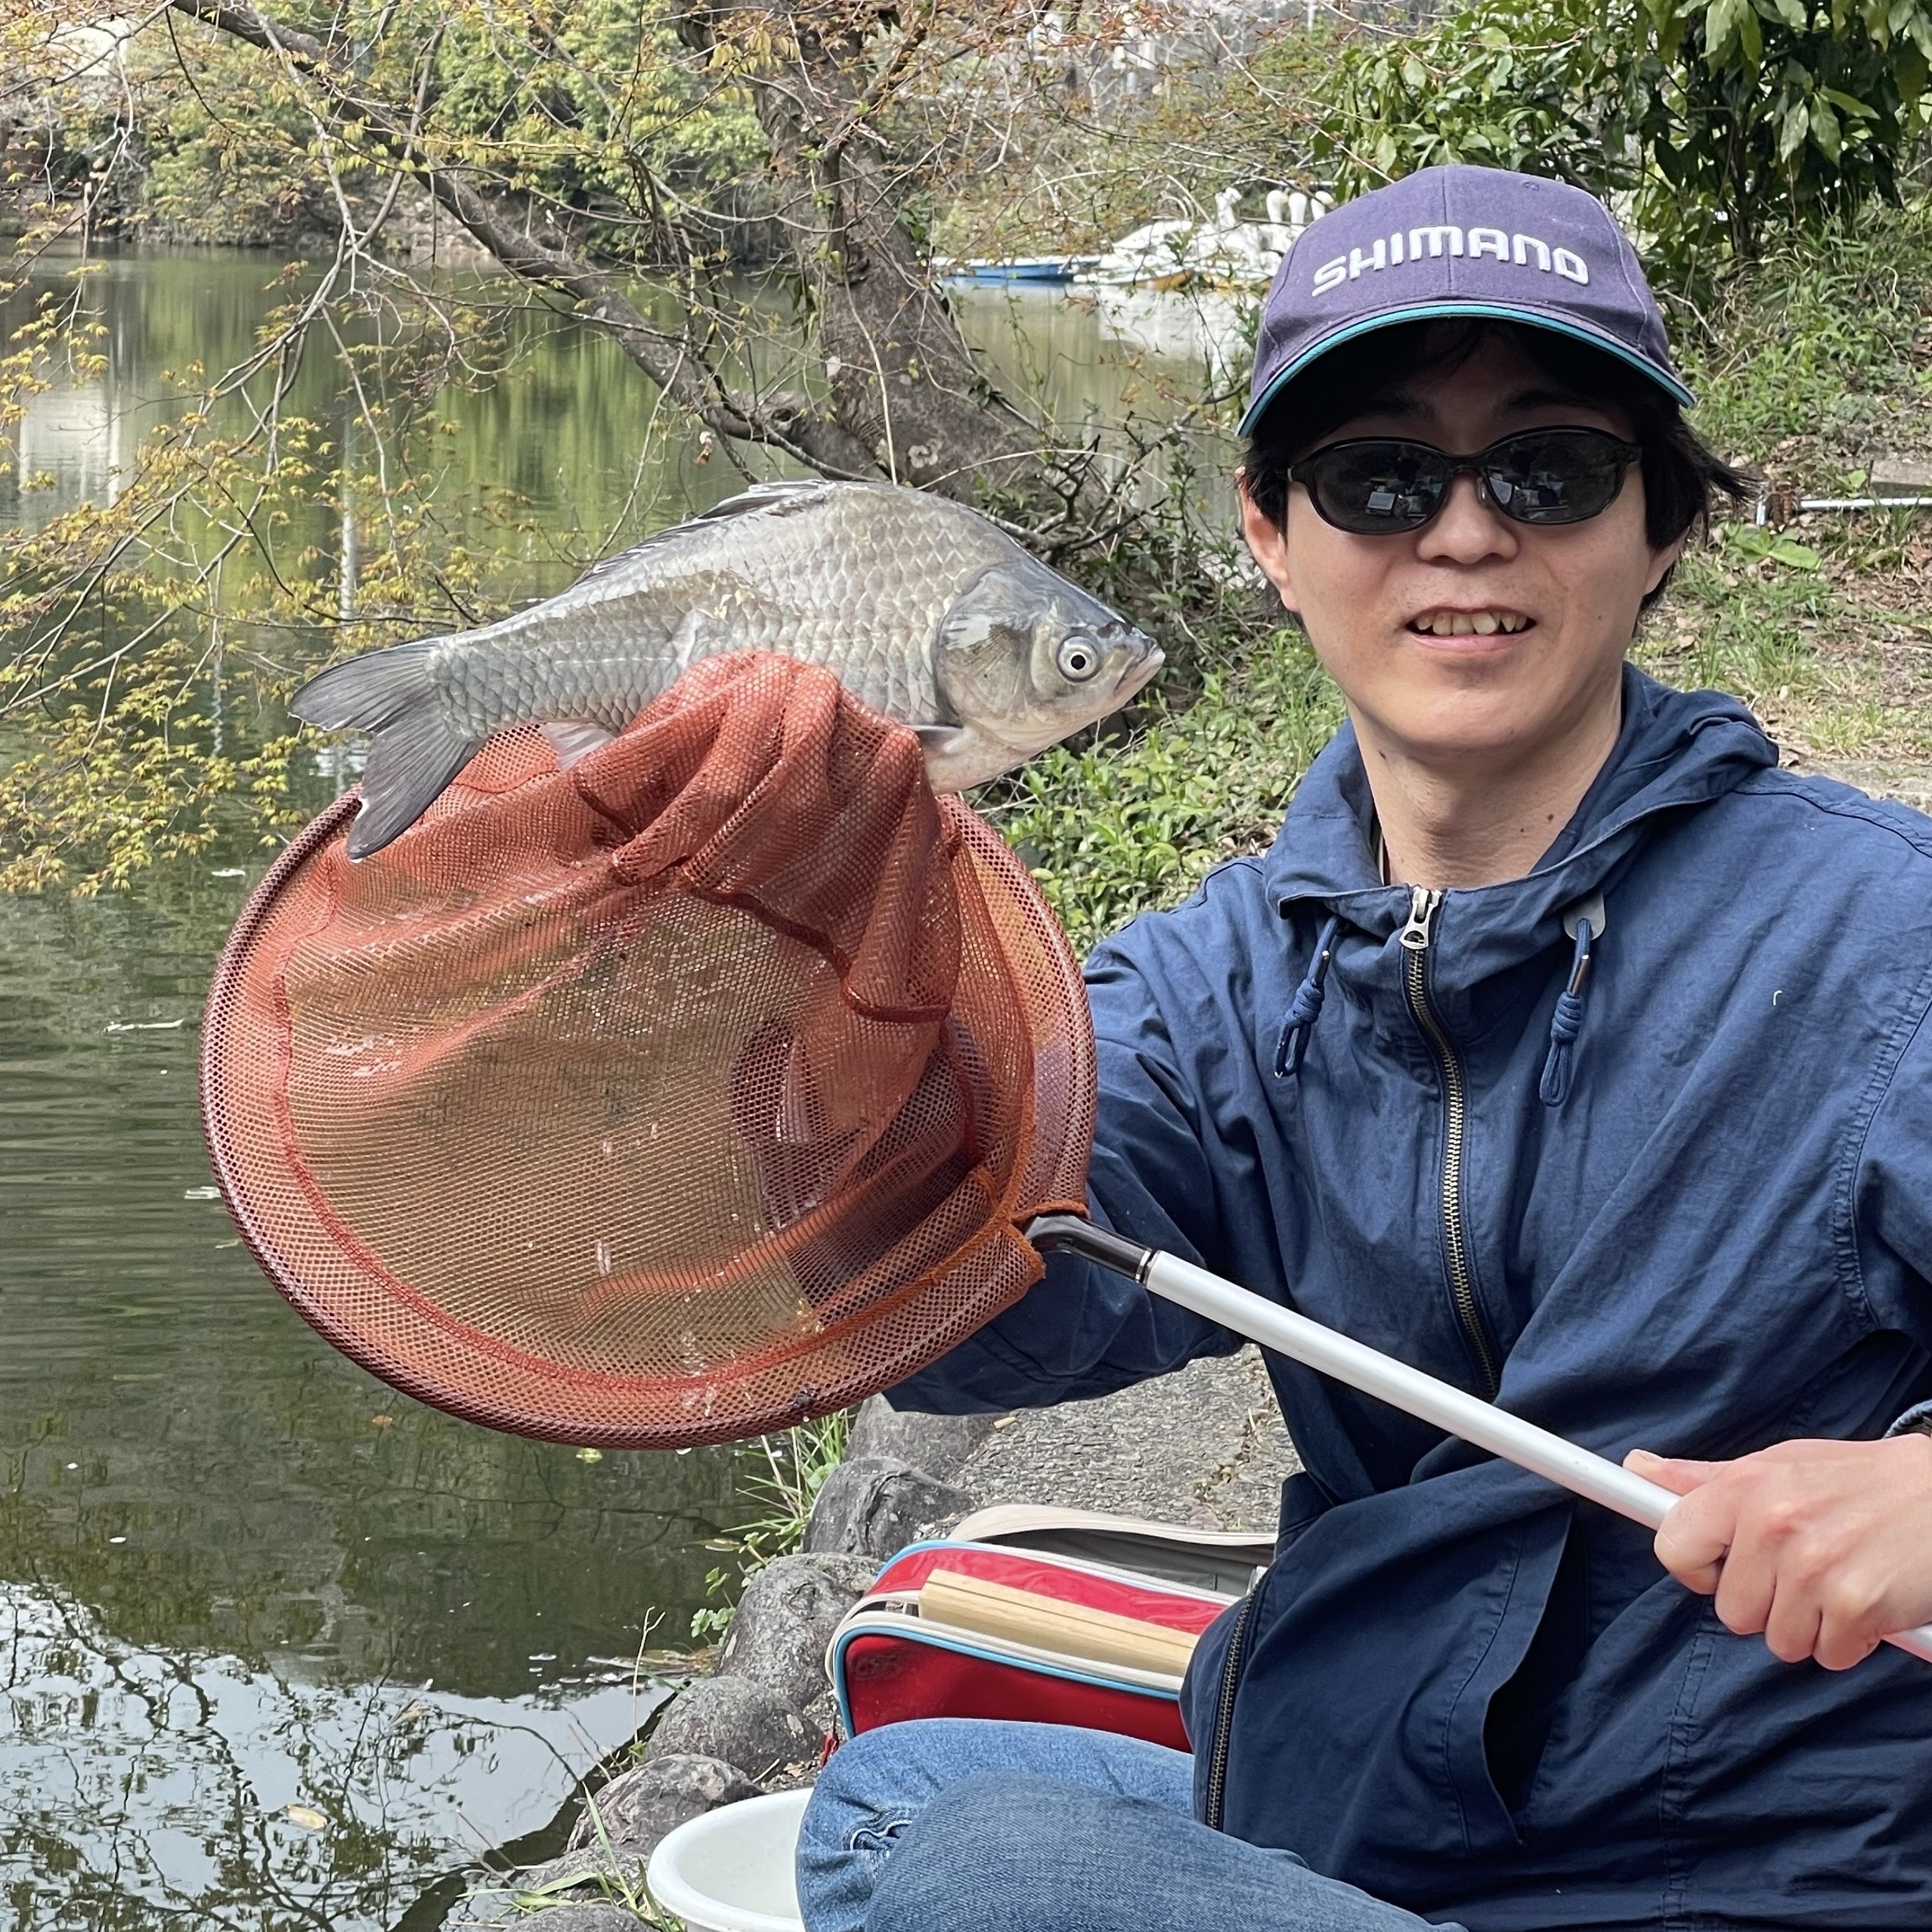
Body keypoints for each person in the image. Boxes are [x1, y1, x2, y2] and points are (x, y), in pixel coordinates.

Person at [795, 166, 1932, 1931]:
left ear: (1661, 525)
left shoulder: (1882, 943)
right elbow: (959, 1316)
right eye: (1381, 476)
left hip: (1780, 1871)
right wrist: (799, 1010)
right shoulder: (1223, 987)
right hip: (1399, 1829)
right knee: (894, 1794)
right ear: (1270, 533)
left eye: (1547, 469)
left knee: (977, 1864)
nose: (1465, 534)